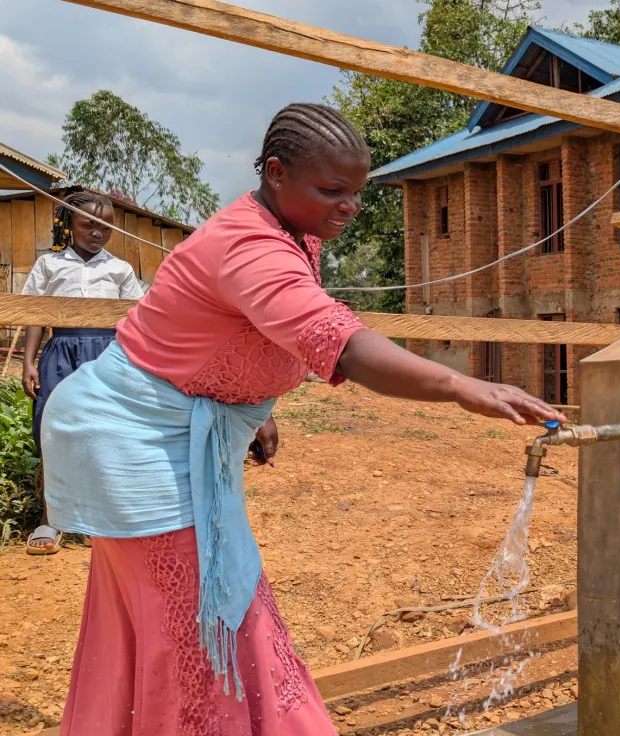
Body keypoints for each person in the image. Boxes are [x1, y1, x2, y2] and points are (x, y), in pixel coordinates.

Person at [40, 102, 563, 735]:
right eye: (332, 190)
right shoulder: (251, 246)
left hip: (183, 426)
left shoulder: (296, 231)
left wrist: (253, 410)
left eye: (357, 193)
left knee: (193, 619)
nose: (349, 206)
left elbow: (244, 331)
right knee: (204, 623)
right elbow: (340, 342)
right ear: (278, 172)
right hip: (132, 438)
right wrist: (458, 384)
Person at [21, 191, 145, 555]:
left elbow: (135, 322)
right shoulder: (49, 266)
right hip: (60, 352)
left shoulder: (120, 269)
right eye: (88, 223)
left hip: (107, 355)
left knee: (105, 431)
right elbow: (34, 317)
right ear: (68, 224)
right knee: (53, 429)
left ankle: (99, 519)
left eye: (104, 225)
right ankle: (52, 518)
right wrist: (29, 361)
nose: (97, 232)